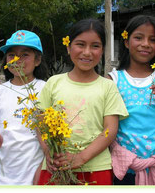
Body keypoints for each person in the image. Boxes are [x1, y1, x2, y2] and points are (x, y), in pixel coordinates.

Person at [37, 18, 128, 185]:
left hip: (96, 169)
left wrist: (81, 158)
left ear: (102, 51)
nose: (87, 52)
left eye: (95, 46)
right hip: (56, 166)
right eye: (80, 44)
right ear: (68, 47)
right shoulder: (53, 83)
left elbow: (110, 129)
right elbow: (41, 123)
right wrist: (48, 151)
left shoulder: (108, 87)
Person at [108, 15, 155, 185]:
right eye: (138, 37)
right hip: (125, 168)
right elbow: (105, 127)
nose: (145, 44)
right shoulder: (113, 80)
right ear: (126, 42)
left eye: (153, 40)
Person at [0, 30, 48, 185]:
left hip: (32, 175)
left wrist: (45, 167)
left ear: (37, 60)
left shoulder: (45, 89)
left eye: (25, 55)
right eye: (12, 55)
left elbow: (49, 137)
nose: (17, 60)